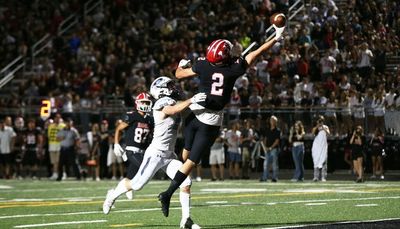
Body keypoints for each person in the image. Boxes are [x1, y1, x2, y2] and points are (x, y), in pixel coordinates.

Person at [159, 24, 286, 217]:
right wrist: (276, 38)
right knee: (191, 162)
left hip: (193, 113)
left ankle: (176, 179)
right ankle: (168, 193)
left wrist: (181, 65)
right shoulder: (234, 69)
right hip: (209, 121)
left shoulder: (202, 64)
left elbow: (178, 75)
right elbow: (256, 53)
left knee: (185, 157)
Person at [102, 76, 206, 229]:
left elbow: (185, 109)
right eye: (170, 86)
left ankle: (186, 220)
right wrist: (191, 100)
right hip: (156, 154)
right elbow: (173, 109)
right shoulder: (161, 103)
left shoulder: (174, 100)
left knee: (186, 182)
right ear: (161, 89)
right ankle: (112, 195)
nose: (174, 88)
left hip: (169, 155)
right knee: (137, 185)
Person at [113, 92, 154, 199]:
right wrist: (116, 143)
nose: (145, 104)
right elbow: (119, 128)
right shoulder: (132, 116)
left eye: (147, 102)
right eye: (143, 102)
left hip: (142, 151)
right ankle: (127, 188)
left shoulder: (150, 119)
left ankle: (113, 193)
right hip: (132, 150)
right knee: (145, 168)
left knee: (130, 177)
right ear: (137, 103)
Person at [260, 116, 281, 182]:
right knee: (266, 164)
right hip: (267, 149)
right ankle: (264, 177)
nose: (272, 121)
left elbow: (277, 141)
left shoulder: (278, 130)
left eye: (273, 120)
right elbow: (265, 139)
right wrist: (265, 147)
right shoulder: (267, 129)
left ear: (275, 122)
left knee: (274, 164)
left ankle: (274, 177)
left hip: (274, 149)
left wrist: (271, 147)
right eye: (271, 120)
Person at [311, 116, 330, 182]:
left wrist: (323, 128)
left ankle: (323, 177)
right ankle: (316, 177)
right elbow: (312, 134)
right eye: (319, 121)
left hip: (323, 146)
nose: (320, 122)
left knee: (324, 161)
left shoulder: (326, 127)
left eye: (321, 121)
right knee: (316, 161)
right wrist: (317, 127)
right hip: (316, 147)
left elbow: (328, 134)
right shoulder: (315, 128)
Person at [47, 113, 65, 179]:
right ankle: (55, 173)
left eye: (59, 117)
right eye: (56, 117)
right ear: (54, 118)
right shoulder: (50, 126)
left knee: (59, 161)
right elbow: (49, 136)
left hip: (60, 145)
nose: (57, 119)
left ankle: (62, 173)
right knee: (53, 161)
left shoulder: (63, 126)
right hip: (52, 145)